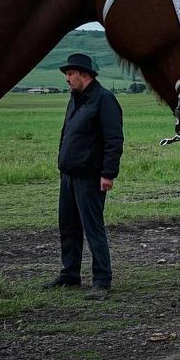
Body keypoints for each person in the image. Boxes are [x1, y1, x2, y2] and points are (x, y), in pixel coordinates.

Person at [45, 52, 124, 298]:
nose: (67, 79)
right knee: (68, 226)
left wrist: (108, 173)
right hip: (68, 175)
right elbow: (66, 133)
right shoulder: (75, 99)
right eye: (67, 75)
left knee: (92, 227)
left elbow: (114, 140)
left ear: (85, 75)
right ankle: (70, 275)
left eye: (71, 74)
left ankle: (102, 279)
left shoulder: (104, 99)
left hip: (90, 177)